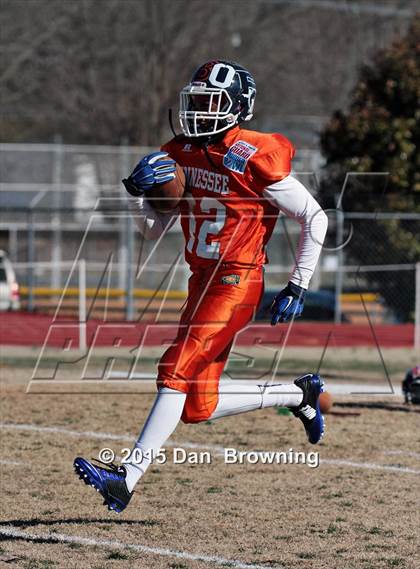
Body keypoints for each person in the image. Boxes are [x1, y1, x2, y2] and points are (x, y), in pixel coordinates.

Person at [74, 60, 329, 512]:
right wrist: (143, 196)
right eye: (195, 101)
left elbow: (315, 217)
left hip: (237, 279)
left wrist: (298, 284)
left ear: (236, 107)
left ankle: (125, 478)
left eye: (210, 102)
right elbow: (153, 230)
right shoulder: (178, 152)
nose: (198, 110)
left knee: (175, 367)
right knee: (198, 406)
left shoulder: (253, 152)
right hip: (201, 282)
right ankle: (300, 394)